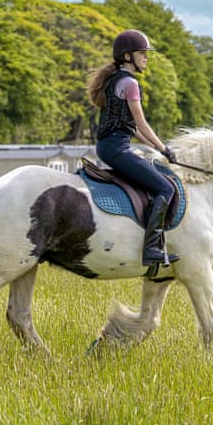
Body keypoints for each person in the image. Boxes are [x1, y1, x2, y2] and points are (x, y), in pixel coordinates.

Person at [87, 29, 179, 267]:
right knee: (166, 188)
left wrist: (157, 150)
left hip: (109, 147)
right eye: (142, 53)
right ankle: (151, 249)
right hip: (117, 150)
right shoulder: (130, 83)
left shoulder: (115, 79)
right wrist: (165, 148)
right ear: (128, 56)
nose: (146, 58)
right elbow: (141, 123)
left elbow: (131, 128)